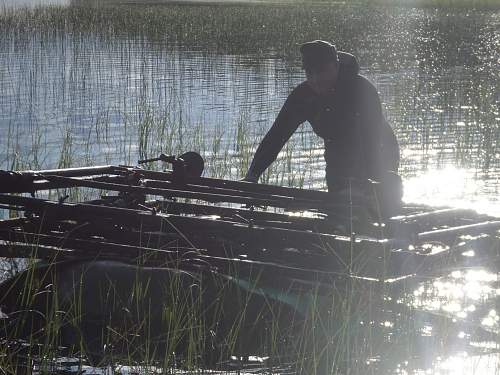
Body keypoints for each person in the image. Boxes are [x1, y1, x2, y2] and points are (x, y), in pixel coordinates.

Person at [244, 40, 402, 215]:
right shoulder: (304, 96)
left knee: (373, 209)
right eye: (309, 73)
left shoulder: (361, 90)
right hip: (336, 154)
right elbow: (277, 135)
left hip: (381, 150)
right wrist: (253, 174)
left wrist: (371, 181)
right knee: (336, 212)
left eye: (322, 72)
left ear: (336, 67)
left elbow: (372, 141)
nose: (315, 79)